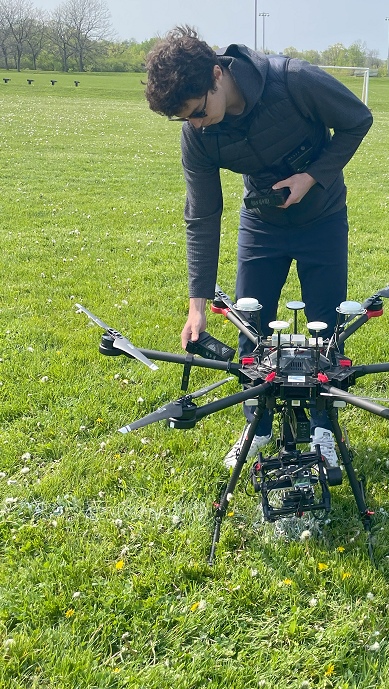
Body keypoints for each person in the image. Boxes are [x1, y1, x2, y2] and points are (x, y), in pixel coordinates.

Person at [144, 27, 373, 464]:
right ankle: (258, 426)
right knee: (252, 330)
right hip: (261, 225)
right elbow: (202, 214)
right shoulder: (197, 135)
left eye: (197, 110)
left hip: (322, 218)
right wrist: (197, 304)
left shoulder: (294, 80)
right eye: (184, 118)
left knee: (328, 332)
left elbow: (357, 120)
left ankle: (324, 427)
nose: (195, 123)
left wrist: (310, 178)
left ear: (217, 75)